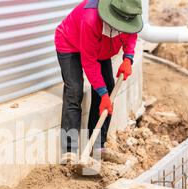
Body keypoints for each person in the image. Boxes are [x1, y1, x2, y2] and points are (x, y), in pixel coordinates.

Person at [55, 0, 143, 163]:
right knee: (74, 91)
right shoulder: (91, 19)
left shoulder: (128, 14)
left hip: (102, 48)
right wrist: (102, 94)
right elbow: (89, 62)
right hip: (70, 43)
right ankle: (70, 151)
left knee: (108, 89)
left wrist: (128, 58)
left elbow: (132, 35)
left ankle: (96, 147)